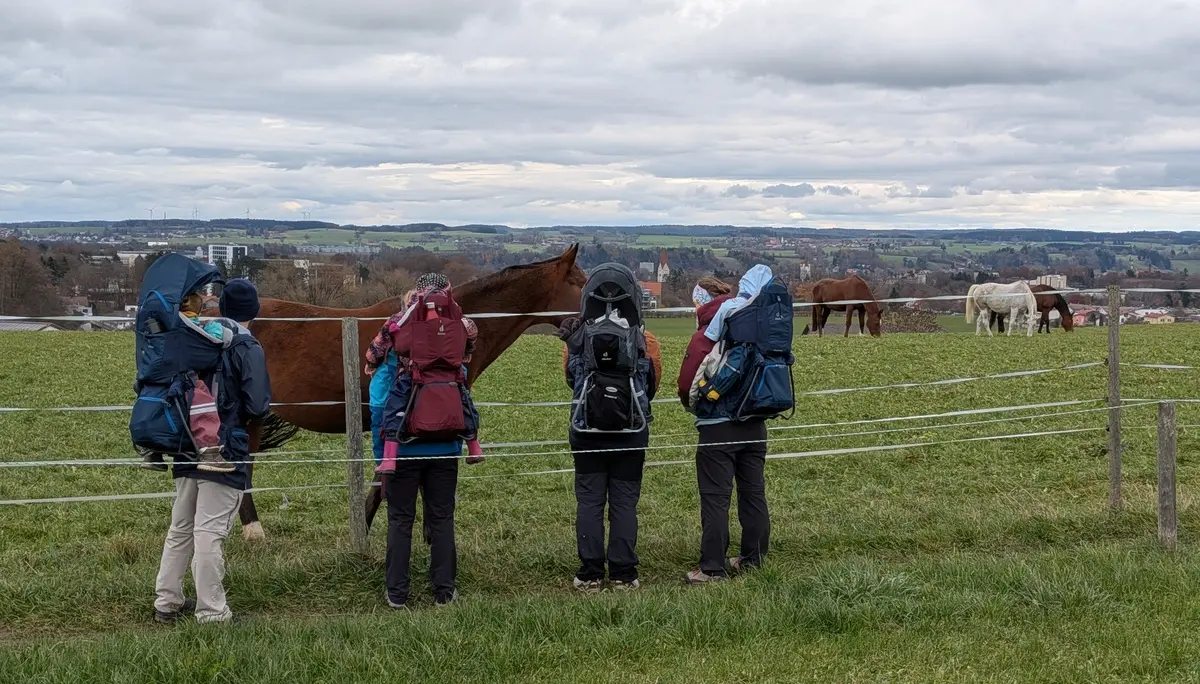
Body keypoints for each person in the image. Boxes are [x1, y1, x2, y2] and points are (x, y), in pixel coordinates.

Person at [153, 278, 271, 624]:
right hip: (225, 446)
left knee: (181, 526)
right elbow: (258, 404)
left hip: (186, 443)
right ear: (254, 311)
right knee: (210, 531)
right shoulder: (247, 346)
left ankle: (167, 601)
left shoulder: (193, 336)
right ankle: (212, 610)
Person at [376, 273, 482, 609]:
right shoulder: (459, 336)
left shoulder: (398, 332)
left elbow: (378, 380)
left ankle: (397, 593)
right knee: (442, 518)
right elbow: (467, 360)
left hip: (404, 445)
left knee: (400, 519)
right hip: (446, 445)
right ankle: (444, 591)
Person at [557, 263, 662, 592]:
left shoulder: (577, 337)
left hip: (586, 429)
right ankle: (623, 573)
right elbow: (653, 383)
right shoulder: (646, 339)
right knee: (624, 501)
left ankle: (589, 573)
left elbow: (571, 380)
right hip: (632, 430)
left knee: (589, 500)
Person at [677, 270, 773, 585]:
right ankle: (754, 559)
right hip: (755, 423)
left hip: (717, 428)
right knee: (753, 493)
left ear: (699, 304)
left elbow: (685, 383)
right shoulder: (754, 324)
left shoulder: (707, 333)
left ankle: (712, 568)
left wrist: (695, 403)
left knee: (716, 497)